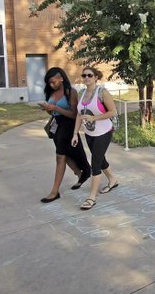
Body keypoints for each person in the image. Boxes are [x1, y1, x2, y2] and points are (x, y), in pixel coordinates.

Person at [39, 67, 92, 203]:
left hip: (68, 126)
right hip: (56, 125)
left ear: (61, 78)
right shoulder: (51, 92)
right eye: (49, 83)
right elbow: (52, 113)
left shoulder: (70, 92)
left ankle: (54, 192)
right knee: (65, 155)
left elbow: (74, 115)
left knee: (60, 157)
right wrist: (48, 109)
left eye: (53, 82)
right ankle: (81, 173)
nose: (51, 85)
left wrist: (56, 108)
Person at [72, 67, 119, 210]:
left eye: (90, 75)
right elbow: (79, 115)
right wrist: (75, 134)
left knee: (95, 163)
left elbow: (113, 112)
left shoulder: (102, 92)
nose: (86, 77)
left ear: (96, 77)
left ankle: (91, 198)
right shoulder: (81, 94)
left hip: (104, 132)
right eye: (84, 75)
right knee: (99, 158)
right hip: (89, 133)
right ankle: (113, 179)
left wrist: (94, 117)